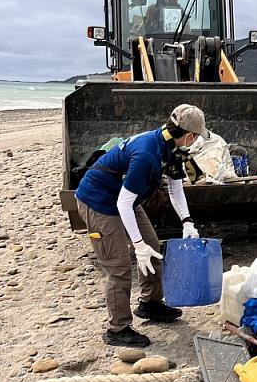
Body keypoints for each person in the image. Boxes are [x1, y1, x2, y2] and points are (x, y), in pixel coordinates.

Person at [75, 104, 210, 347]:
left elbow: (175, 187)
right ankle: (117, 329)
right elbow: (123, 204)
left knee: (153, 248)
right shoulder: (147, 154)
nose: (195, 141)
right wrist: (137, 245)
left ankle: (150, 303)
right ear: (189, 136)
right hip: (99, 202)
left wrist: (187, 222)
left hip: (125, 198)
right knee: (119, 267)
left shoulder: (170, 147)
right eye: (197, 137)